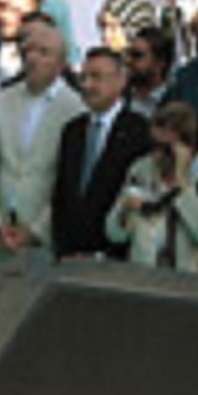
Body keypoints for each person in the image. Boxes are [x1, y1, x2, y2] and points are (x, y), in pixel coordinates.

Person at [0, 14, 79, 273]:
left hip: (43, 237)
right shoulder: (1, 100)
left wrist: (37, 230)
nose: (33, 58)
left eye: (44, 52)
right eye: (29, 50)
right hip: (1, 233)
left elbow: (66, 179)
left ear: (61, 62)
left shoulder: (75, 109)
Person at [47, 43, 144, 260]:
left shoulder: (138, 132)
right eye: (84, 77)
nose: (88, 85)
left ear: (121, 81)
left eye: (97, 77)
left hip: (115, 259)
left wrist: (106, 254)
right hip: (71, 257)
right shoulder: (72, 131)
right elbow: (62, 195)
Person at [114, 95, 198, 273]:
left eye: (165, 148)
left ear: (186, 145)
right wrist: (123, 209)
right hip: (143, 274)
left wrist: (182, 182)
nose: (157, 155)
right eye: (153, 145)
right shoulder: (140, 169)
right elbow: (114, 234)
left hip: (190, 279)